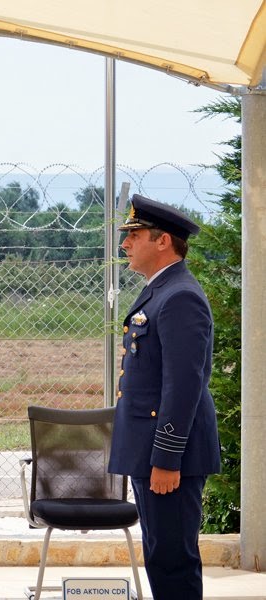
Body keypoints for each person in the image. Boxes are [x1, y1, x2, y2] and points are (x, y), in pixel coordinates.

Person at [108, 194, 221, 600]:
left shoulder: (180, 297)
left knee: (172, 559)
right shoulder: (163, 290)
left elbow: (183, 385)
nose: (125, 245)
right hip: (153, 451)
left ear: (163, 241)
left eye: (133, 235)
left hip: (170, 455)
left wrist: (166, 459)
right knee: (161, 554)